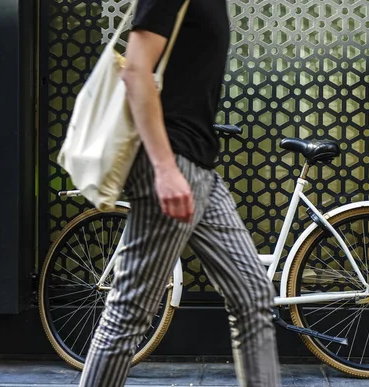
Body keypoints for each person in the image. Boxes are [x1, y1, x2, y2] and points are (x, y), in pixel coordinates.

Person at [78, 0, 282, 386]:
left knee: (253, 294)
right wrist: (165, 167)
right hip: (173, 161)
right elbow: (136, 71)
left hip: (200, 168)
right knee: (129, 314)